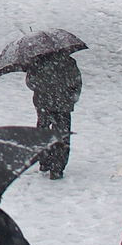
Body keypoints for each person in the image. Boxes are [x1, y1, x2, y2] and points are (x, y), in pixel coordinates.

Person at [25, 50, 82, 178]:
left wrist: (42, 86)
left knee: (43, 132)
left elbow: (31, 83)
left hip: (44, 103)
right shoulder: (69, 62)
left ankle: (44, 161)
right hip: (63, 105)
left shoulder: (37, 62)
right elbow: (76, 82)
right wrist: (71, 97)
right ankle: (57, 167)